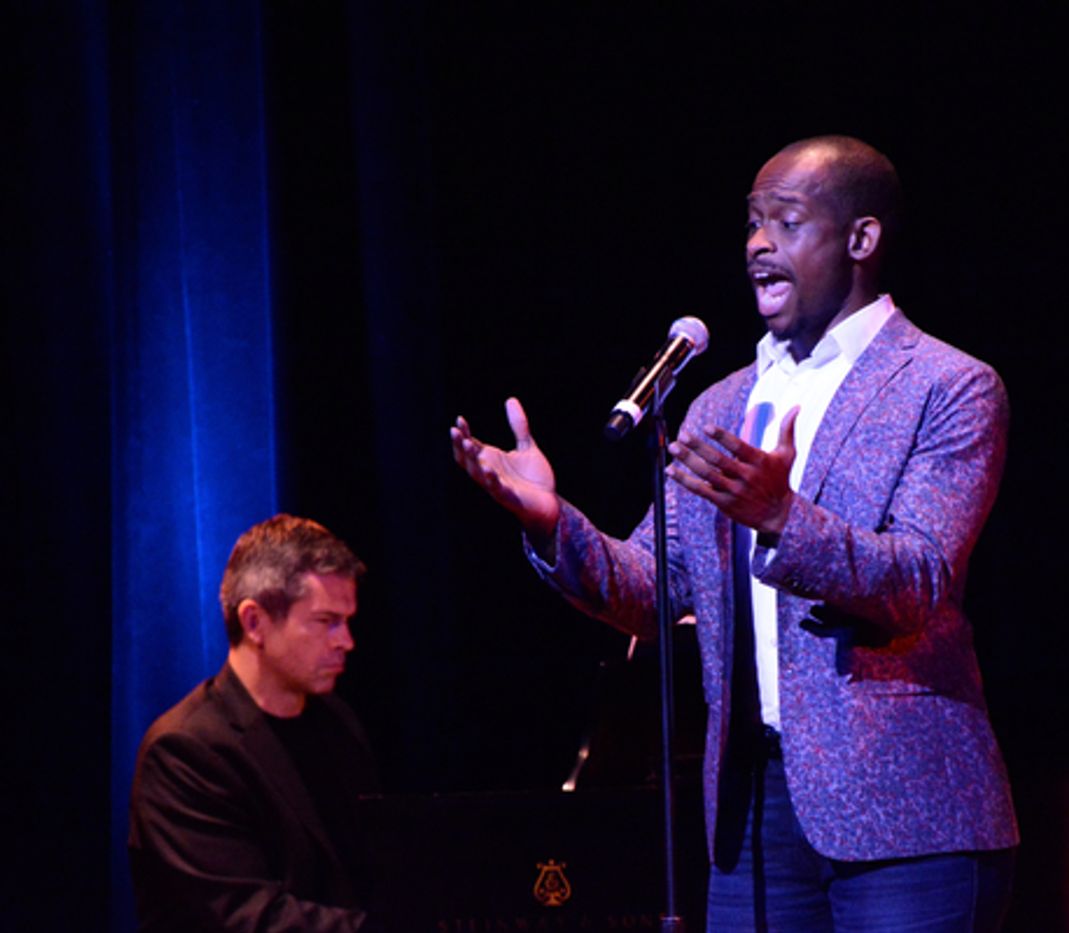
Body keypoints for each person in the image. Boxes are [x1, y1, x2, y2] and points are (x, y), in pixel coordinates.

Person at [450, 135, 1018, 931]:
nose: (758, 244)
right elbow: (651, 588)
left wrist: (783, 516)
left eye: (786, 222)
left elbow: (919, 580)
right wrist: (552, 524)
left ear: (861, 239)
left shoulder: (948, 385)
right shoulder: (721, 404)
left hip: (905, 817)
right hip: (754, 808)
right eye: (752, 223)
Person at [128, 514, 380, 932]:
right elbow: (244, 917)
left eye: (347, 622)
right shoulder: (183, 751)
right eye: (326, 621)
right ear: (254, 622)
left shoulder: (336, 721)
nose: (346, 642)